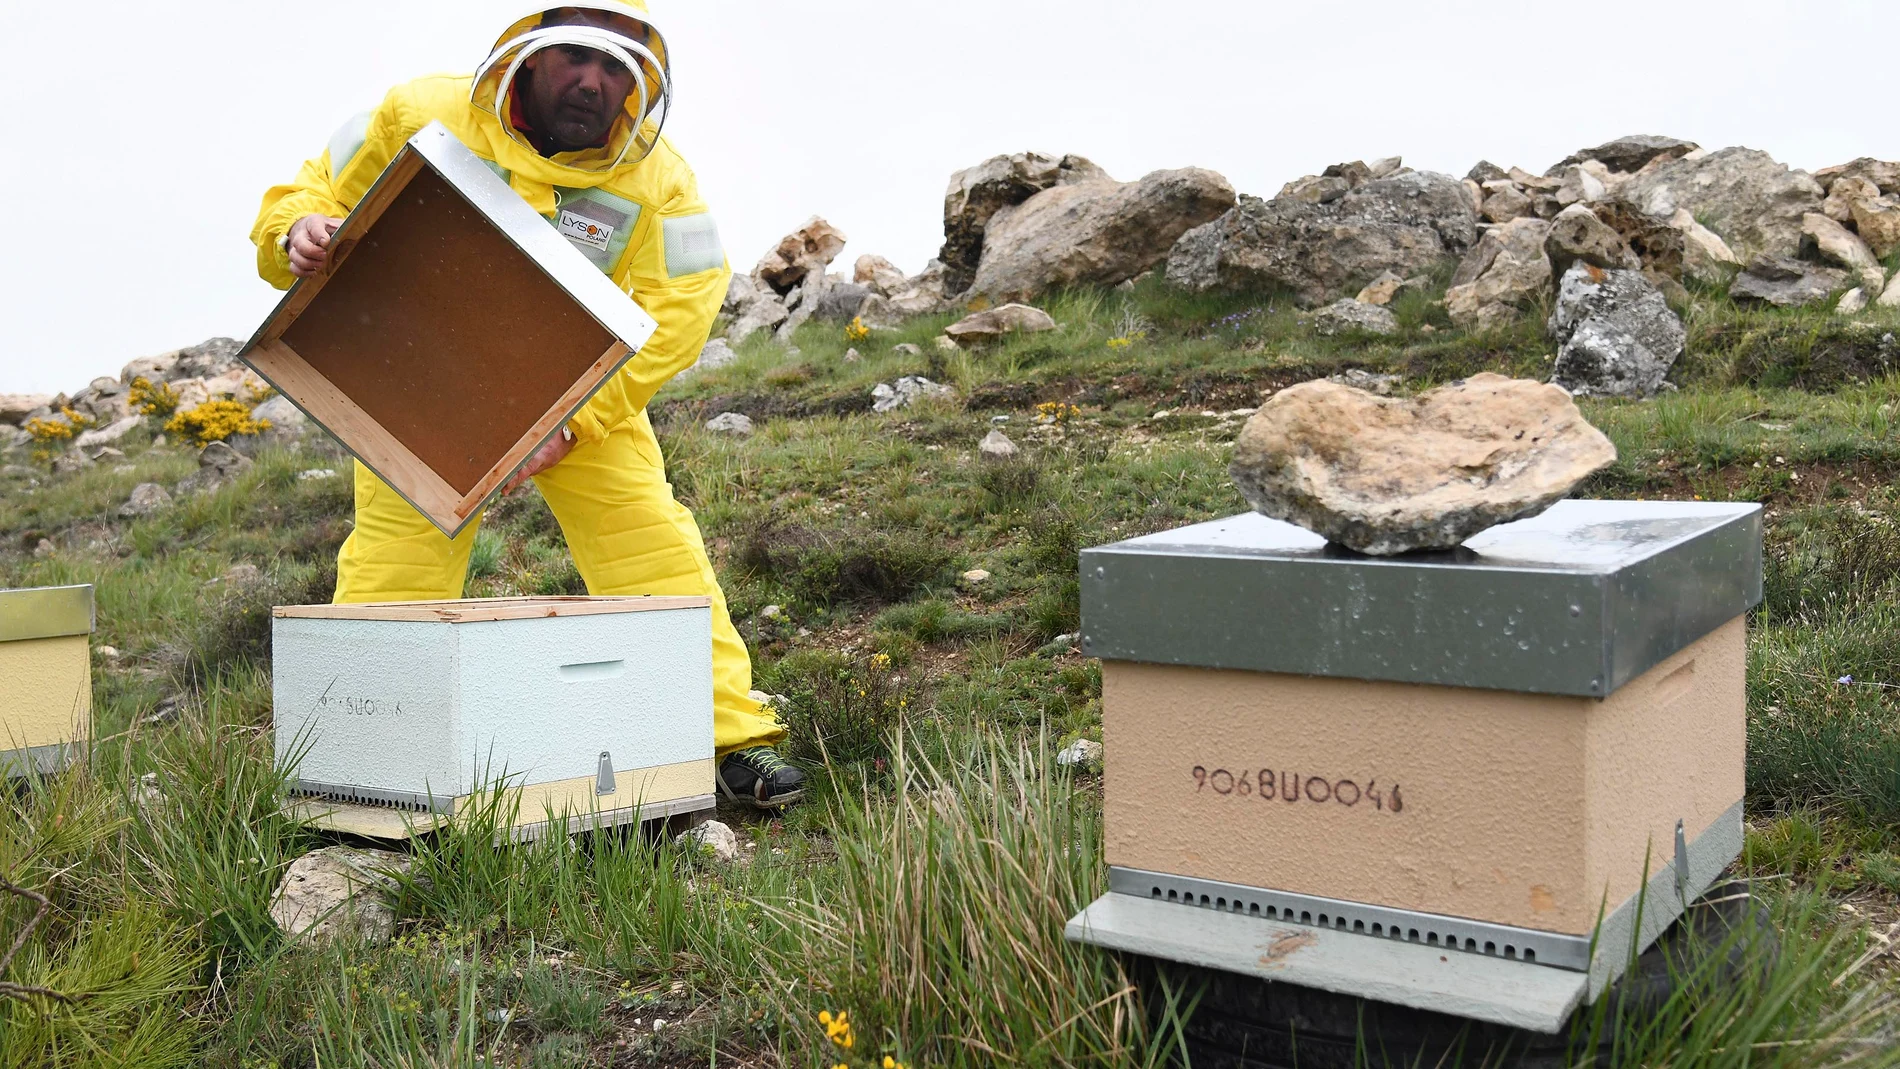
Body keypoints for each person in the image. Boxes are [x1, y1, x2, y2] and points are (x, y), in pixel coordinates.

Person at [249, 2, 804, 809]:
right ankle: (360, 768)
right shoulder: (422, 111)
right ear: (531, 54)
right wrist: (294, 229)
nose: (594, 80)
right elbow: (313, 187)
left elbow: (683, 304)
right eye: (577, 55)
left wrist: (578, 419)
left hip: (578, 399)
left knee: (651, 550)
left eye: (617, 67)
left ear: (640, 82)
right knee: (393, 570)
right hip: (423, 387)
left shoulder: (660, 181)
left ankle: (727, 741)